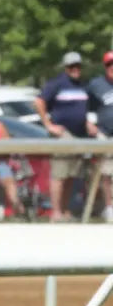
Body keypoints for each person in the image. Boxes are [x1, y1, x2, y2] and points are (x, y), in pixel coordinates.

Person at [34, 51, 96, 221]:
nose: (75, 69)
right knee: (59, 174)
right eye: (71, 66)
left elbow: (81, 110)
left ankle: (65, 209)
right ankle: (55, 212)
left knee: (71, 175)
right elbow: (39, 102)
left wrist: (87, 123)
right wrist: (48, 125)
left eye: (77, 66)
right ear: (66, 68)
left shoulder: (83, 85)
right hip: (63, 133)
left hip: (79, 134)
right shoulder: (57, 84)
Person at [86, 50, 113, 222]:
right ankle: (109, 207)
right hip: (104, 133)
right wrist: (90, 123)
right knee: (106, 173)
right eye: (109, 64)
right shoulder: (96, 84)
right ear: (105, 66)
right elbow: (87, 106)